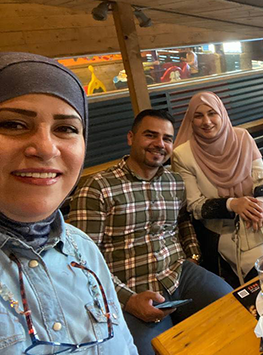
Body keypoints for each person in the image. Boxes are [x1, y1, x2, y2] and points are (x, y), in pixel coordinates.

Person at [0, 52, 137, 354]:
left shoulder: (81, 247)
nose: (46, 148)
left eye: (66, 129)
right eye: (13, 124)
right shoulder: (101, 189)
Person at [69, 108, 232, 355]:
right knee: (144, 350)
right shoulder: (98, 187)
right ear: (131, 138)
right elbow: (80, 259)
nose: (159, 144)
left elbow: (182, 221)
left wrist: (193, 255)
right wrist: (128, 299)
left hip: (179, 273)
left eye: (167, 138)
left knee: (234, 306)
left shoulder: (175, 181)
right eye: (150, 135)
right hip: (129, 285)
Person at [172, 91, 263, 283]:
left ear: (222, 114)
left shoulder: (242, 137)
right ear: (190, 121)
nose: (206, 121)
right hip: (224, 229)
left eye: (212, 113)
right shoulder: (182, 155)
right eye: (198, 115)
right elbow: (194, 206)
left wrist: (259, 204)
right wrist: (233, 204)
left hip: (261, 217)